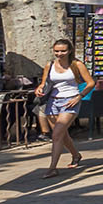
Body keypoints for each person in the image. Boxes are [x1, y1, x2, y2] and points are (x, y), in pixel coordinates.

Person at [34, 39, 92, 177]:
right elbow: (44, 83)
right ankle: (76, 155)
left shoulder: (77, 65)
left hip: (70, 101)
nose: (59, 54)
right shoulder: (50, 65)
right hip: (53, 101)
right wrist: (40, 88)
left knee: (56, 134)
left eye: (63, 51)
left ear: (70, 51)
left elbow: (90, 83)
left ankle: (52, 168)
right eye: (56, 51)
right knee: (62, 134)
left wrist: (79, 96)